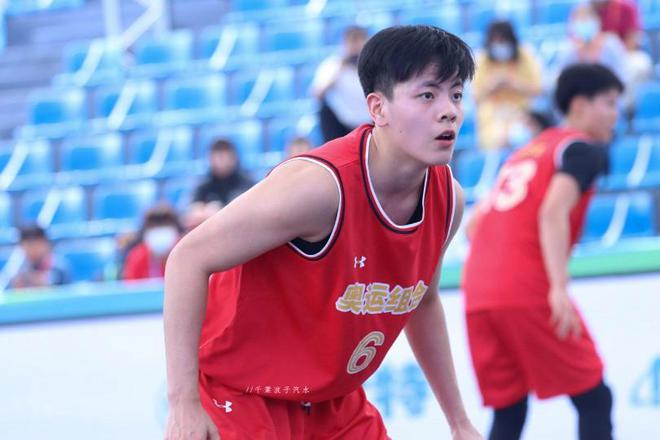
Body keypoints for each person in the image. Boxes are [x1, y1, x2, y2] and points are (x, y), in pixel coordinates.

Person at [164, 25, 482, 440]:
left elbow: (423, 302)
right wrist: (183, 403)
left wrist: (459, 422)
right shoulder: (318, 188)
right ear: (378, 108)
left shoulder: (448, 201)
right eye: (427, 95)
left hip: (334, 401)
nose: (449, 110)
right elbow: (187, 258)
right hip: (242, 392)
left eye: (456, 94)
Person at [462, 63, 623, 440]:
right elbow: (552, 212)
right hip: (525, 287)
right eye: (610, 103)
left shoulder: (526, 153)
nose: (616, 114)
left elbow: (473, 227)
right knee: (595, 398)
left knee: (509, 409)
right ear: (580, 105)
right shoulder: (582, 148)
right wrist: (558, 286)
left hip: (478, 292)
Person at [472, 20, 543, 150]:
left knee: (522, 136)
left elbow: (538, 89)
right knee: (497, 140)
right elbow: (475, 97)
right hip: (492, 117)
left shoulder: (525, 55)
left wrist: (514, 85)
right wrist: (493, 86)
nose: (500, 45)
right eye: (496, 41)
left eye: (503, 41)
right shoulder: (482, 59)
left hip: (521, 114)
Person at [311, 25, 372, 142]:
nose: (356, 46)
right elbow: (317, 94)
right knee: (324, 110)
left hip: (370, 122)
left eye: (360, 40)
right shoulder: (332, 65)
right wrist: (338, 70)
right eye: (352, 41)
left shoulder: (374, 65)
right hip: (340, 124)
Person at [591, 0, 652, 112]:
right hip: (592, 58)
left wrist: (613, 53)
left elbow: (632, 41)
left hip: (622, 57)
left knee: (639, 62)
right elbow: (576, 41)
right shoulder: (583, 9)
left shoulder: (626, 7)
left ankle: (622, 109)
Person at [185, 139, 254, 230]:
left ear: (233, 158)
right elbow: (192, 212)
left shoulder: (247, 183)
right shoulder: (203, 185)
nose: (220, 161)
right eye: (216, 156)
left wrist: (220, 211)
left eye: (223, 157)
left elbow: (250, 212)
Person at [122, 204, 183, 280]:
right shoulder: (137, 256)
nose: (160, 232)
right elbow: (131, 284)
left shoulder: (184, 252)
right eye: (154, 226)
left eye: (165, 224)